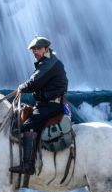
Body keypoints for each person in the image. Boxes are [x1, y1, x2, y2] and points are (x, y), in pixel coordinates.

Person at [9, 36, 68, 175]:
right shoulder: (48, 62)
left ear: (46, 49)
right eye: (33, 49)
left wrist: (21, 87)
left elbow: (35, 82)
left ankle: (28, 166)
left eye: (38, 49)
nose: (35, 52)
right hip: (50, 103)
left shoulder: (48, 63)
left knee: (27, 126)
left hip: (51, 105)